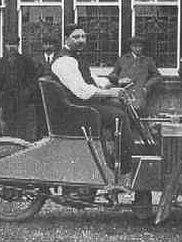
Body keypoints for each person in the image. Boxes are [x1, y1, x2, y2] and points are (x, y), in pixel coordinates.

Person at [50, 24, 133, 173]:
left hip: (80, 105)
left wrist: (113, 84)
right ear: (66, 39)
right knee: (118, 116)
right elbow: (81, 90)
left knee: (119, 106)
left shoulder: (76, 57)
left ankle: (116, 159)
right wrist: (111, 93)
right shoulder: (64, 61)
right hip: (74, 110)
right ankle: (124, 169)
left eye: (83, 36)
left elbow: (92, 80)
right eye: (76, 37)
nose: (81, 40)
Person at [107, 36, 161, 117]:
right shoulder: (122, 59)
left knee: (137, 113)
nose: (138, 49)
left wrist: (146, 86)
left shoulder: (148, 61)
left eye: (140, 46)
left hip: (139, 92)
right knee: (121, 111)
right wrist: (119, 80)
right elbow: (112, 75)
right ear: (131, 47)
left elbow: (157, 76)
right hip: (124, 92)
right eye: (135, 46)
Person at [0, 39, 36, 139]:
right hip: (7, 100)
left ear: (18, 45)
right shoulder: (1, 62)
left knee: (21, 124)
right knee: (7, 125)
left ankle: (20, 149)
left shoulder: (26, 61)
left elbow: (33, 80)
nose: (11, 47)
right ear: (5, 46)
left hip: (21, 99)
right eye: (9, 44)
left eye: (14, 44)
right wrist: (1, 94)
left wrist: (27, 93)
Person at [31, 36, 58, 138]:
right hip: (40, 94)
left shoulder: (59, 58)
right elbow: (33, 76)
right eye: (46, 44)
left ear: (54, 46)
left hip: (55, 94)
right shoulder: (36, 59)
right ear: (43, 46)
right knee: (40, 117)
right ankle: (39, 139)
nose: (48, 46)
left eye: (50, 44)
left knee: (53, 117)